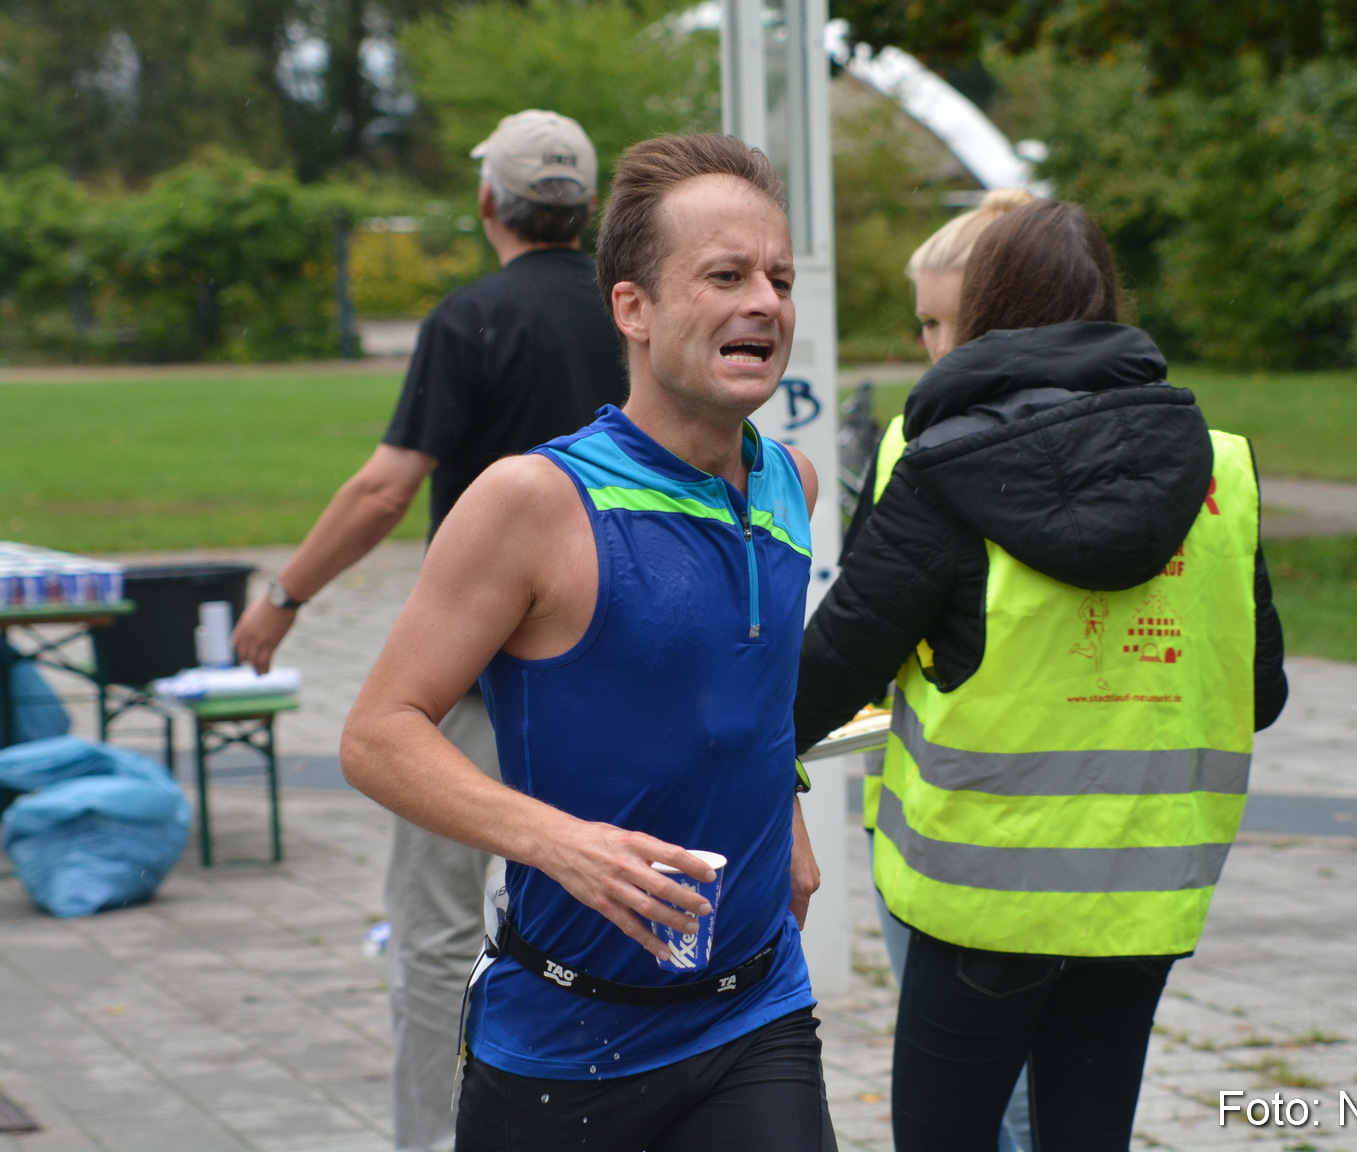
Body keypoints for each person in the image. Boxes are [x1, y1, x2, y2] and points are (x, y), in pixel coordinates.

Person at [341, 132, 831, 1152]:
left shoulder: (792, 482)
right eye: (726, 275)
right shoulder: (536, 501)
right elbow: (378, 734)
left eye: (779, 279)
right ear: (633, 309)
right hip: (567, 1043)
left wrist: (783, 809)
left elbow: (746, 690)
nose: (765, 303)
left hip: (755, 1009)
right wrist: (554, 842)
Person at [794, 199, 1288, 1150]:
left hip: (981, 895)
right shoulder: (1224, 470)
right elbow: (1258, 695)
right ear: (1107, 302)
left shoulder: (934, 459)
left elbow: (835, 670)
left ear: (984, 309)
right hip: (1147, 892)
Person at [229, 109, 628, 1152]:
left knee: (438, 932)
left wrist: (285, 596)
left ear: (488, 202)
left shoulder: (471, 319)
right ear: (587, 209)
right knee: (609, 916)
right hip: (613, 671)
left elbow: (382, 493)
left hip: (481, 670)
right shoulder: (632, 315)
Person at [844, 185, 1037, 1152]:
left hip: (945, 824)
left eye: (942, 323)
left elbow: (866, 629)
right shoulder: (1150, 440)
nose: (930, 350)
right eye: (921, 323)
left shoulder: (920, 439)